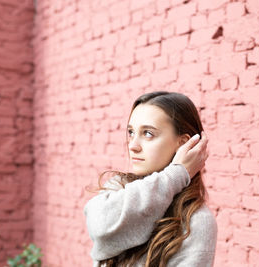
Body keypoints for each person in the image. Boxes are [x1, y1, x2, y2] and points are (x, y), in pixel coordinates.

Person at [84, 91, 218, 267]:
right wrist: (177, 174)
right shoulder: (119, 189)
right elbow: (100, 226)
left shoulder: (196, 222)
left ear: (184, 143)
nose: (133, 146)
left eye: (148, 133)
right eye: (131, 132)